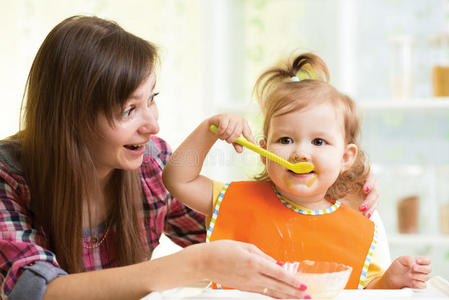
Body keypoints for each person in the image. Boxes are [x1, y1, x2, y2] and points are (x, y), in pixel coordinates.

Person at [0, 15, 325, 300]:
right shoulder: (8, 176)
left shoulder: (152, 165)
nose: (153, 125)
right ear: (71, 118)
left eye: (151, 99)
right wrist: (195, 264)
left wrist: (329, 193)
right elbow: (36, 291)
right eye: (129, 110)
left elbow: (249, 235)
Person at [162, 53, 432, 294]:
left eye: (318, 142)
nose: (300, 153)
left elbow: (365, 291)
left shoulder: (357, 228)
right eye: (286, 140)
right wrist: (208, 130)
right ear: (264, 150)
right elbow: (177, 180)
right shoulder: (234, 198)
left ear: (345, 157)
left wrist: (393, 280)